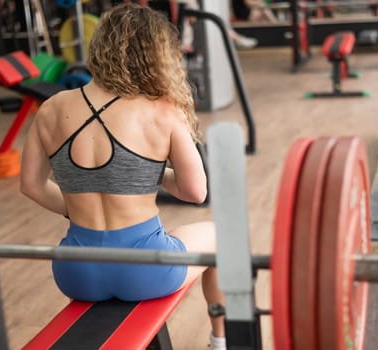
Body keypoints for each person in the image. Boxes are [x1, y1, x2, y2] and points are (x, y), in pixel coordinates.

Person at [20, 3, 226, 349]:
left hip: (75, 271)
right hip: (144, 270)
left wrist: (75, 208)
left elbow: (31, 185)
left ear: (98, 47)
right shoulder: (162, 109)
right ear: (157, 55)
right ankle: (220, 342)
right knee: (217, 236)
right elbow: (195, 191)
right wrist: (153, 172)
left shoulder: (53, 107)